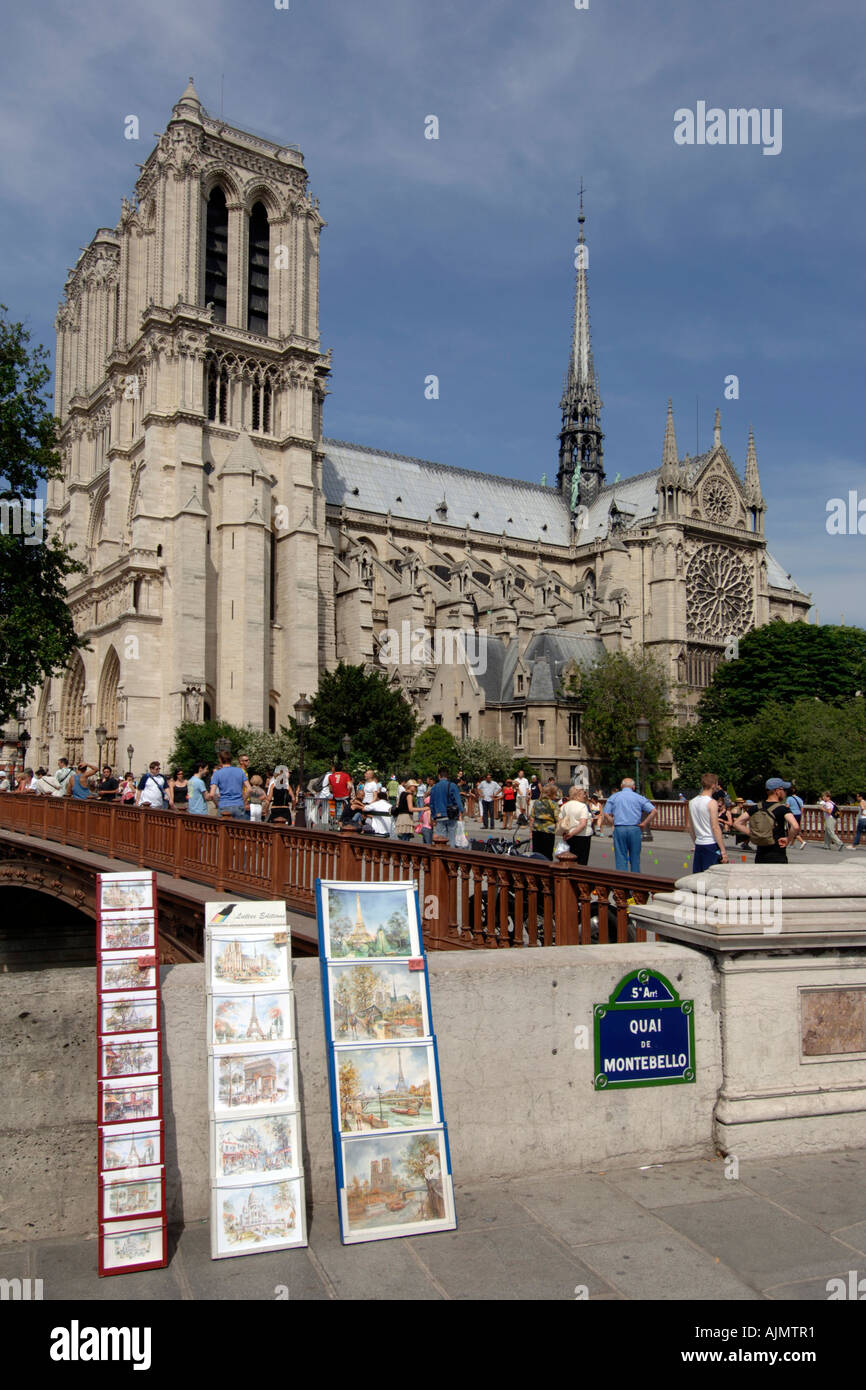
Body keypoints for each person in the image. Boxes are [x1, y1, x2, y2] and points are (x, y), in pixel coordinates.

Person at [732, 778, 800, 865]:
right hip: (777, 853)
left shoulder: (756, 807)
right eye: (784, 790)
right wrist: (788, 839)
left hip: (760, 854)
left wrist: (753, 834)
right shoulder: (782, 809)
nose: (785, 793)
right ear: (777, 791)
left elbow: (736, 823)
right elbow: (795, 826)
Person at [602, 778, 656, 873]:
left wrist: (613, 822)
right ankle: (635, 883)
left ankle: (622, 884)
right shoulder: (638, 797)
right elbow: (654, 811)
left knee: (621, 857)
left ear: (621, 786)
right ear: (633, 787)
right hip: (634, 828)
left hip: (620, 828)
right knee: (635, 858)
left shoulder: (614, 797)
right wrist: (644, 823)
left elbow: (606, 813)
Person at [687, 773, 730, 872]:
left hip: (699, 844)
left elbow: (690, 827)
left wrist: (696, 841)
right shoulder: (712, 803)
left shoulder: (692, 802)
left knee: (699, 878)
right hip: (710, 843)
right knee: (710, 876)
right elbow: (715, 827)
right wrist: (723, 851)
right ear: (713, 785)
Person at [556, 786, 593, 864]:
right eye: (583, 794)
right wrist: (572, 834)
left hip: (569, 836)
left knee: (570, 861)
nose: (584, 796)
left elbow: (559, 821)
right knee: (582, 861)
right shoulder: (582, 806)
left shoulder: (564, 806)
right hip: (582, 836)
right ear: (578, 795)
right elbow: (583, 824)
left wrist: (566, 833)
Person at [429, 766, 463, 848]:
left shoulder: (434, 788)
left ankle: (442, 859)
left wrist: (433, 816)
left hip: (439, 816)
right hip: (451, 815)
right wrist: (460, 813)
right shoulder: (453, 786)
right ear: (447, 776)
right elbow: (458, 801)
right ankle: (451, 857)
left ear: (439, 776)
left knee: (441, 840)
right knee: (452, 839)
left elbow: (431, 804)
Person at [210, 750, 248, 819]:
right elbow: (250, 789)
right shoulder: (240, 771)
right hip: (238, 805)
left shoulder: (217, 773)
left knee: (223, 829)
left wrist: (217, 804)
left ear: (220, 760)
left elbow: (212, 794)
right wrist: (243, 800)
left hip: (224, 805)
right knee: (239, 829)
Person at [786, 784, 806, 851]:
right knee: (796, 828)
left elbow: (787, 807)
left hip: (792, 815)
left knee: (792, 830)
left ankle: (802, 841)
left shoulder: (789, 798)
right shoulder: (799, 799)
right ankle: (792, 844)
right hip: (798, 814)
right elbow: (802, 808)